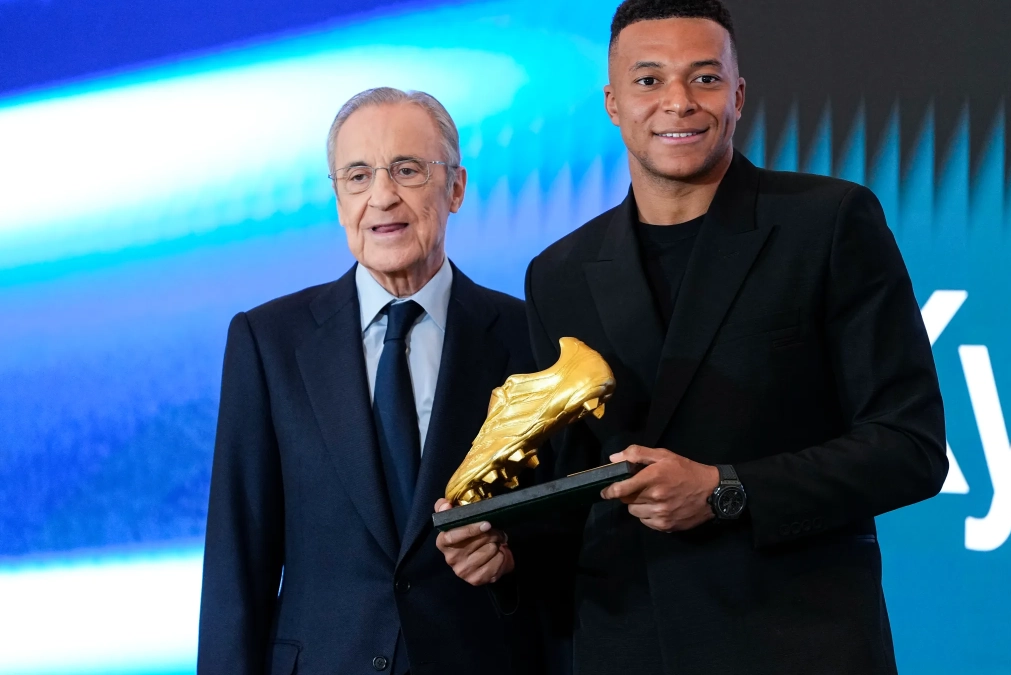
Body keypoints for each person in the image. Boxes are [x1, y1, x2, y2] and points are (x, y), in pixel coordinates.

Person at [438, 1, 949, 673]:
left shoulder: (828, 225)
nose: (678, 102)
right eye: (649, 80)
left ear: (737, 96)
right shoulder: (559, 274)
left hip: (795, 646)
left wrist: (723, 487)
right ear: (613, 102)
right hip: (627, 647)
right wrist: (508, 548)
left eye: (704, 78)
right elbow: (574, 493)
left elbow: (908, 446)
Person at [198, 87, 544, 675]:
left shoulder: (525, 336)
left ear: (456, 188)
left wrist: (512, 561)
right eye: (357, 176)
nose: (382, 196)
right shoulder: (268, 341)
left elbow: (562, 530)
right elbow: (240, 558)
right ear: (338, 199)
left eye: (408, 171)